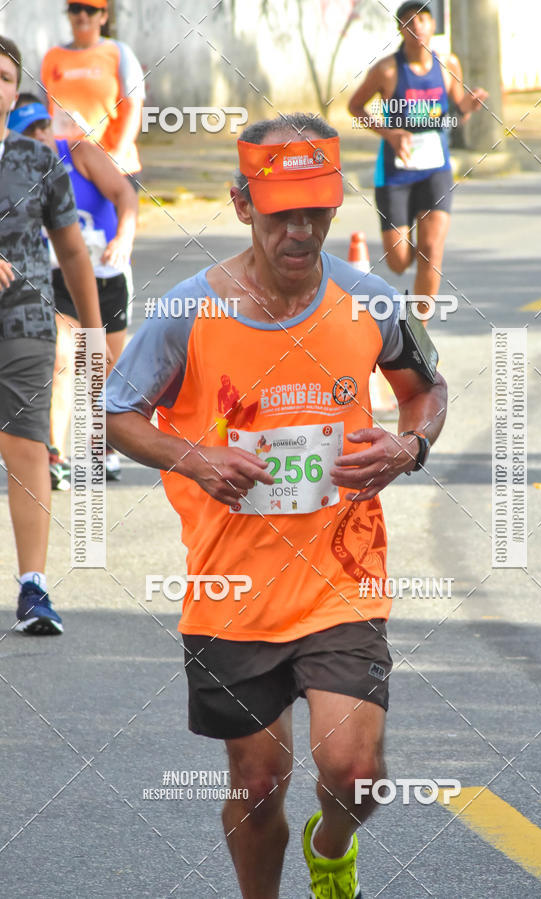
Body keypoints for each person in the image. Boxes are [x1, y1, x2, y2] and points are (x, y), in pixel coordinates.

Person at [105, 113, 447, 898]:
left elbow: (426, 389)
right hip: (232, 591)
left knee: (356, 773)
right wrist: (194, 456)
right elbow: (119, 413)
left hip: (342, 577)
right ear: (240, 204)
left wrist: (408, 445)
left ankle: (331, 853)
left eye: (316, 212)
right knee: (259, 785)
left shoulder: (369, 299)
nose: (300, 230)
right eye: (280, 211)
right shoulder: (190, 310)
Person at [0, 37, 105, 634]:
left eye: (5, 76)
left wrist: (91, 333)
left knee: (25, 447)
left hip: (26, 321)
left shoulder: (38, 161)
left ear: (15, 91)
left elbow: (70, 249)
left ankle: (33, 588)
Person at [8, 94, 138, 485]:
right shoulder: (16, 173)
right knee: (62, 357)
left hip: (106, 274)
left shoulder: (79, 151)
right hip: (57, 279)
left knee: (105, 367)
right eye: (29, 132)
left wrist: (124, 238)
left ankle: (107, 446)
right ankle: (55, 455)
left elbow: (125, 195)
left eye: (43, 126)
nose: (41, 137)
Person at [348, 1, 488, 295]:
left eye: (423, 20)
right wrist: (389, 133)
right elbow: (355, 106)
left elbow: (454, 112)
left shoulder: (447, 65)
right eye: (409, 22)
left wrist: (468, 107)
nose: (417, 28)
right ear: (400, 29)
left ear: (433, 26)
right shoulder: (386, 70)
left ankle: (420, 331)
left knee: (431, 249)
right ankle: (415, 253)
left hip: (436, 170)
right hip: (396, 172)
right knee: (398, 262)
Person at [41, 0, 145, 185]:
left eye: (90, 10)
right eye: (76, 9)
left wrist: (118, 157)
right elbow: (44, 111)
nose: (82, 15)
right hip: (65, 166)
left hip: (113, 166)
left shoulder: (119, 53)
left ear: (103, 16)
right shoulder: (52, 57)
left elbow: (134, 108)